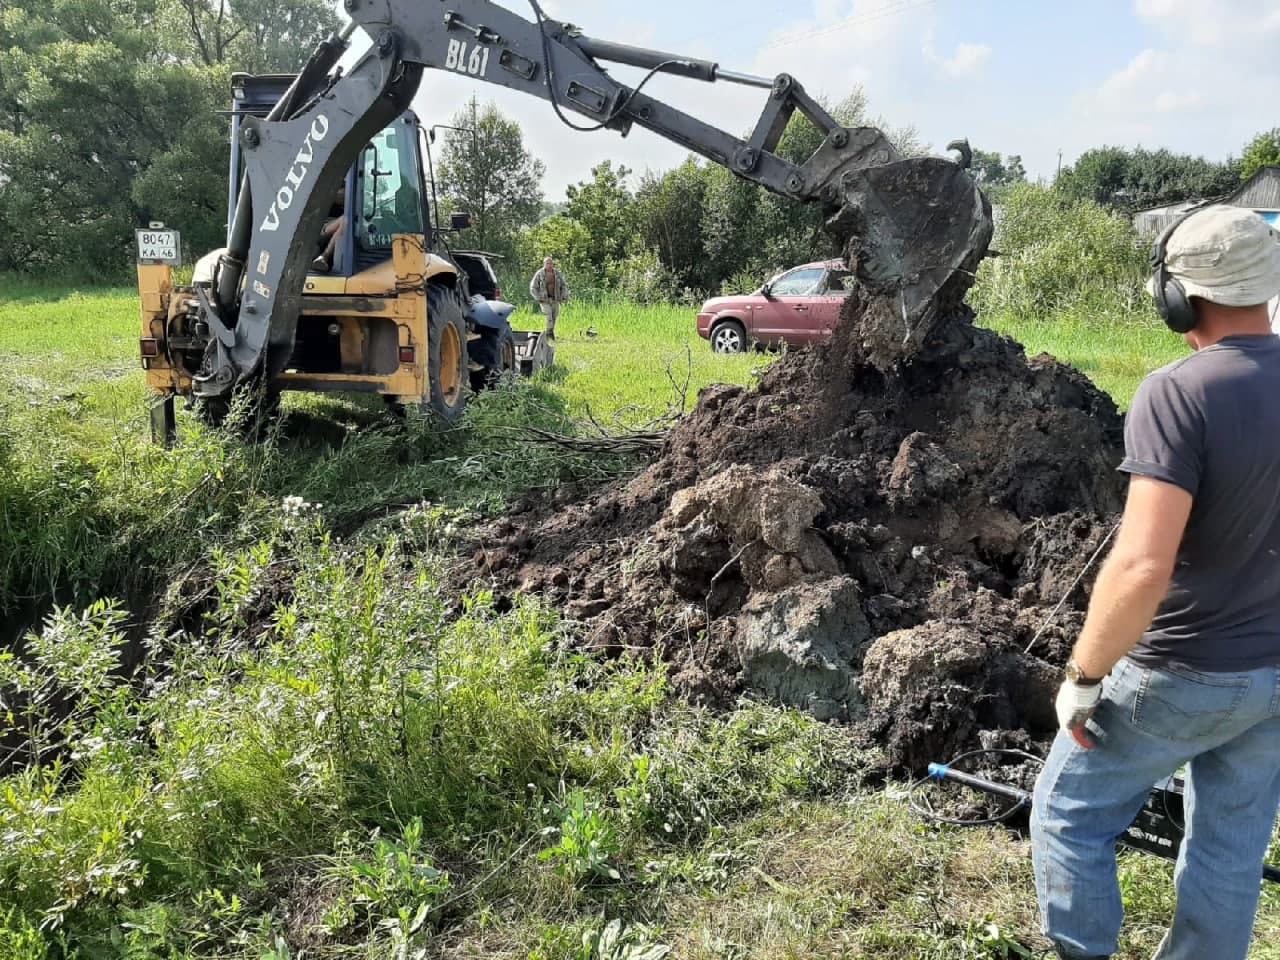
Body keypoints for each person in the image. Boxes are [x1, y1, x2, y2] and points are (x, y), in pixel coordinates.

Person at [1031, 205, 1280, 960]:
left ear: (1177, 298)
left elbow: (1142, 564)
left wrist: (1085, 674)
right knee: (1229, 850)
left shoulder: (1179, 393)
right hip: (1276, 677)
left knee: (1068, 815)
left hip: (1181, 673)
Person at [529, 256, 569, 340]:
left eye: (551, 263)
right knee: (549, 316)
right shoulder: (540, 274)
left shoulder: (557, 273)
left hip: (555, 299)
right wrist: (538, 297)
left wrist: (563, 295)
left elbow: (564, 285)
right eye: (547, 263)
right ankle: (548, 334)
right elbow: (533, 287)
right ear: (544, 264)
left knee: (554, 316)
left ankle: (550, 332)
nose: (550, 265)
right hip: (544, 300)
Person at [312, 185, 346, 273]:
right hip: (321, 228)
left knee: (346, 222)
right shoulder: (333, 183)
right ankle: (324, 256)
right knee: (345, 219)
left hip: (339, 231)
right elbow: (339, 194)